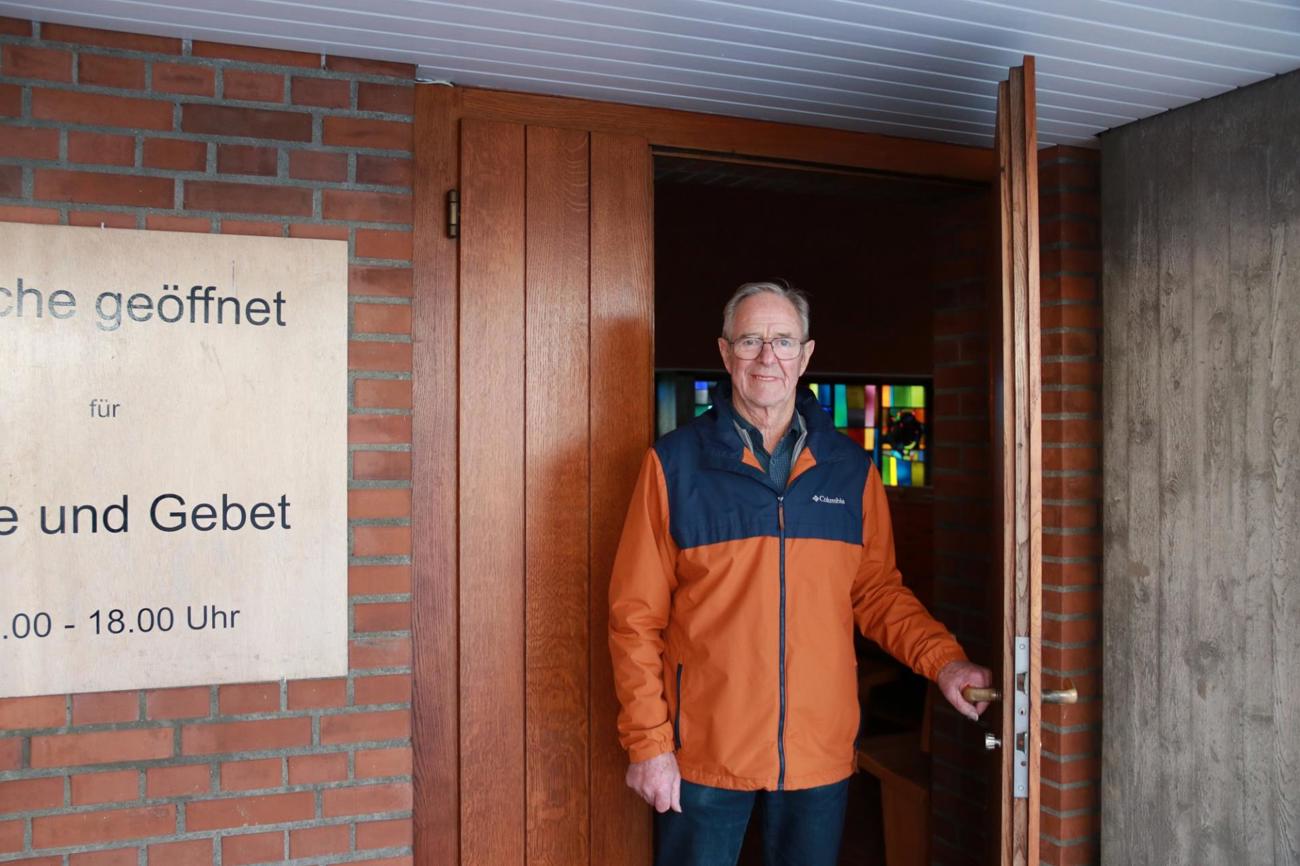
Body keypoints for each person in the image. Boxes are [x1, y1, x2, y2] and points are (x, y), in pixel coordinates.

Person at [608, 281, 992, 866]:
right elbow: (634, 618)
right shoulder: (673, 465)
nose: (768, 357)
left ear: (806, 355)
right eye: (751, 341)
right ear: (725, 351)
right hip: (703, 751)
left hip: (818, 750)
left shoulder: (850, 470)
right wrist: (649, 744)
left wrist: (944, 661)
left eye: (783, 341)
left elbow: (877, 593)